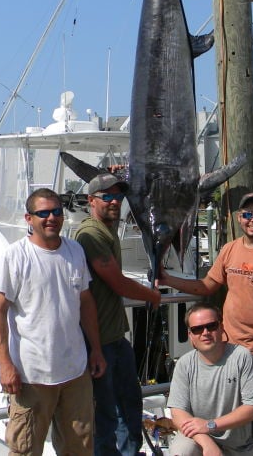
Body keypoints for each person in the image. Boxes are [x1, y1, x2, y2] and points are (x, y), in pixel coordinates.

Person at [159, 193, 253, 456]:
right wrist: (168, 280)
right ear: (239, 218)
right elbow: (206, 286)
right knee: (236, 405)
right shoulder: (229, 249)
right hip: (231, 345)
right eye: (247, 215)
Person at [0, 188, 106, 456]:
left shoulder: (75, 250)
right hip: (32, 376)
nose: (51, 218)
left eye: (56, 212)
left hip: (75, 373)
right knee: (25, 449)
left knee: (81, 448)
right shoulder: (15, 256)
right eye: (43, 213)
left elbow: (85, 302)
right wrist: (5, 364)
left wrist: (96, 350)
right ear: (28, 219)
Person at [74, 172, 162, 456]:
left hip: (116, 336)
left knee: (130, 403)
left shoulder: (108, 229)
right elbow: (116, 280)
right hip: (97, 340)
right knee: (107, 415)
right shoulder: (90, 234)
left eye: (118, 196)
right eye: (107, 196)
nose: (115, 202)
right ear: (91, 201)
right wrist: (152, 295)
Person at [167, 302, 253, 456]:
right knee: (180, 451)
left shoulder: (242, 357)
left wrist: (210, 425)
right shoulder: (184, 364)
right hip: (198, 439)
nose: (205, 332)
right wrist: (207, 442)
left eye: (211, 326)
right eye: (197, 329)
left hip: (238, 447)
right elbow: (178, 413)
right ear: (190, 335)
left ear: (221, 327)